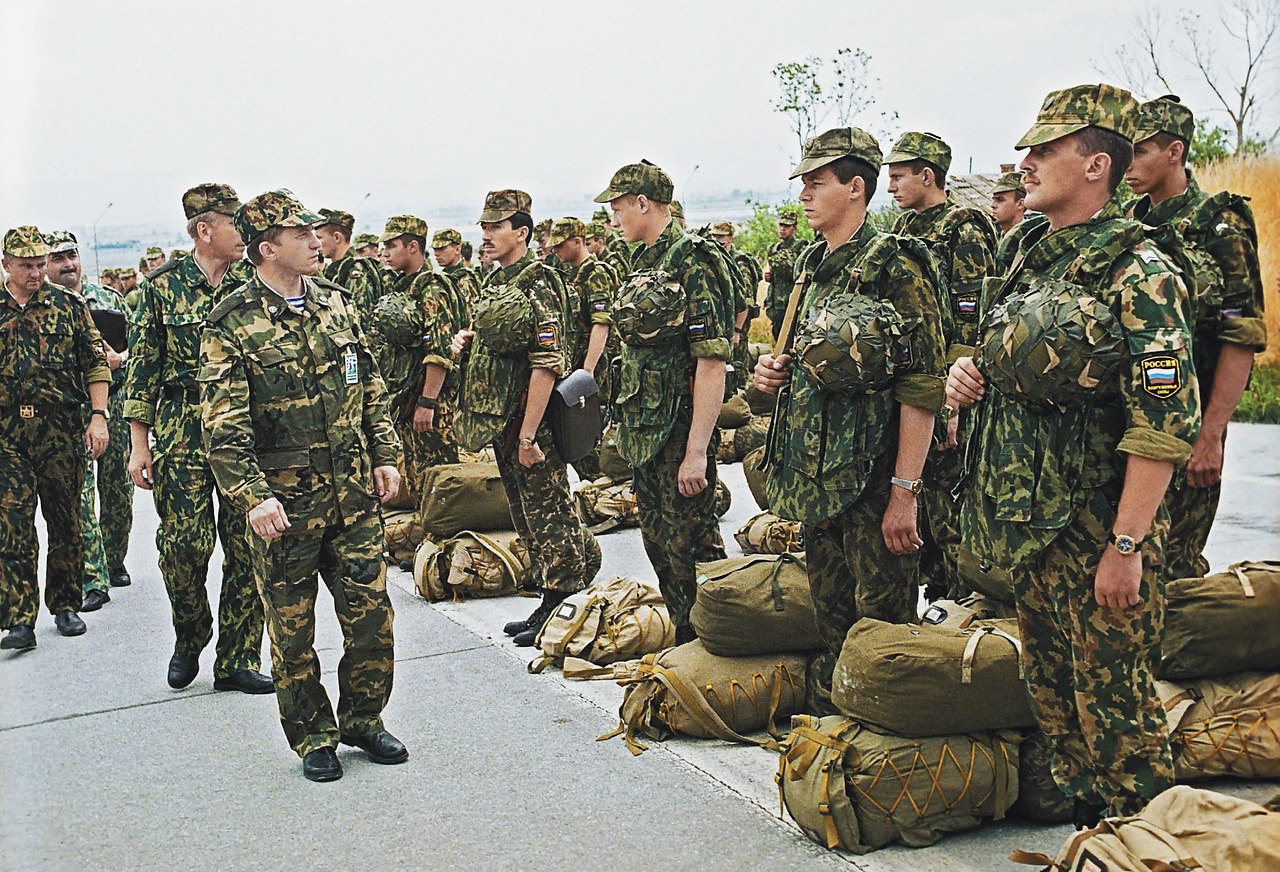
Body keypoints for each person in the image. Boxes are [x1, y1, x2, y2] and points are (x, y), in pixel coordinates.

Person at [947, 83, 1200, 823]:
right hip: (1033, 529)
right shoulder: (1031, 251)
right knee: (1060, 719)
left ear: (1096, 165)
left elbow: (1161, 422)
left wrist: (1127, 544)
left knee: (1120, 733)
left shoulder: (1141, 270)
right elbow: (1009, 355)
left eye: (1045, 149)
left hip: (1098, 532)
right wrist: (972, 376)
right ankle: (1098, 845)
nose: (1025, 162)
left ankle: (1146, 846)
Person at [201, 190, 405, 783]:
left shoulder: (338, 305)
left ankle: (364, 719)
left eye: (315, 232)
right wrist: (252, 496)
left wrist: (386, 455)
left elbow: (369, 388)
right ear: (269, 248)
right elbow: (223, 426)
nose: (316, 241)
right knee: (293, 633)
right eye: (301, 234)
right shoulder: (231, 323)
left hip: (353, 497)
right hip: (284, 508)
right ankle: (313, 736)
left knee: (371, 618)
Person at [754, 129, 947, 714]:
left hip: (872, 480)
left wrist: (904, 493)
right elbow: (807, 362)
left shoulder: (898, 267)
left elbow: (922, 388)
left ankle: (886, 747)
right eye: (804, 184)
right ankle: (839, 737)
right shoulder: (813, 267)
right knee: (832, 617)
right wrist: (771, 375)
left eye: (817, 183)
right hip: (818, 480)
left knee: (882, 630)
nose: (805, 195)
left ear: (856, 188)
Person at [124, 183, 270, 693]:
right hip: (181, 425)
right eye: (234, 222)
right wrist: (139, 445)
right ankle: (191, 635)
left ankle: (237, 656)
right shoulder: (161, 287)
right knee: (184, 546)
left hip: (243, 429)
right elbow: (141, 371)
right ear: (204, 229)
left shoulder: (256, 284)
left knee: (248, 544)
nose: (244, 232)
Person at [1125, 94, 1268, 579]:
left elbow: (1241, 335)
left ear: (1175, 152)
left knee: (1173, 569)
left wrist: (1212, 435)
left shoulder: (1219, 225)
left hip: (1190, 427)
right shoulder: (1127, 225)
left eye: (1141, 150)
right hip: (1135, 426)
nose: (1129, 162)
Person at [596, 162, 733, 644]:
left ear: (643, 203)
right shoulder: (642, 261)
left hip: (679, 431)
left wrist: (697, 450)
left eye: (617, 205)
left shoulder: (695, 259)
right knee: (660, 544)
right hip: (645, 432)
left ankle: (719, 643)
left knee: (692, 547)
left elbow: (711, 362)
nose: (612, 215)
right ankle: (685, 640)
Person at [453, 190, 597, 646]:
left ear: (522, 232)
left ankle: (566, 597)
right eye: (484, 227)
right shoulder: (499, 281)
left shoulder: (539, 281)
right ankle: (550, 595)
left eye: (496, 227)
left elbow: (545, 361)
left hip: (532, 422)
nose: (487, 234)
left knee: (549, 511)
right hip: (505, 421)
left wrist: (530, 433)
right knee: (525, 513)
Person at [885, 131, 1000, 600]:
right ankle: (930, 595)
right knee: (920, 501)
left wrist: (953, 401)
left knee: (949, 503)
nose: (889, 187)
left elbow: (973, 320)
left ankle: (959, 601)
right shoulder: (906, 231)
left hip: (951, 386)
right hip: (915, 382)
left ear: (927, 175)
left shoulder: (964, 228)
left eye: (898, 177)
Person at [0, 226, 111, 650]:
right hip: (7, 433)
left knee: (64, 520)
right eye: (26, 265)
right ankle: (18, 619)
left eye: (40, 264)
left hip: (60, 429)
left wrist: (97, 417)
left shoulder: (68, 306)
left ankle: (65, 605)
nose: (36, 272)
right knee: (12, 526)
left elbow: (95, 366)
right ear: (6, 263)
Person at [45, 231, 134, 610]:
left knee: (117, 492)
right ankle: (92, 577)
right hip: (71, 413)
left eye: (71, 255)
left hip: (112, 404)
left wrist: (120, 359)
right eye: (58, 258)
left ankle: (113, 560)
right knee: (79, 496)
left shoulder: (110, 301)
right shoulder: (45, 310)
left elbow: (139, 347)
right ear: (44, 266)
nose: (67, 264)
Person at [376, 215, 466, 563]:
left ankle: (449, 549)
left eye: (391, 245)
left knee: (437, 475)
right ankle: (432, 544)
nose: (385, 252)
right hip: (409, 398)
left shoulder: (432, 288)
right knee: (418, 475)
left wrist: (428, 402)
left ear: (412, 247)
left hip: (429, 400)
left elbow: (438, 351)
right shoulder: (405, 286)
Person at [548, 216, 620, 480]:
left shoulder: (595, 274)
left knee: (589, 435)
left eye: (560, 245)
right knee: (574, 436)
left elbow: (601, 324)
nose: (555, 250)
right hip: (573, 366)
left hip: (593, 369)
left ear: (578, 241)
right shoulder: (568, 275)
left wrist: (586, 372)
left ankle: (603, 487)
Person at [316, 207, 381, 328]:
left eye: (319, 238)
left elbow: (360, 322)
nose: (315, 243)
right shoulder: (336, 270)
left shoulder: (355, 271)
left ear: (337, 238)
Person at [764, 209, 804, 340]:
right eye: (781, 225)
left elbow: (797, 273)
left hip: (790, 304)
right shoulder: (773, 248)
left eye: (787, 226)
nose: (783, 229)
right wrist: (770, 277)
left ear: (795, 228)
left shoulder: (800, 247)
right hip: (776, 305)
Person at [431, 228, 480, 314]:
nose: (436, 254)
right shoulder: (442, 277)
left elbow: (470, 317)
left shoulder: (466, 280)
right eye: (435, 249)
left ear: (457, 249)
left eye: (442, 248)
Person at [991, 170, 1028, 235]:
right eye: (993, 199)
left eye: (1000, 199)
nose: (992, 205)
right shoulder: (993, 238)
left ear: (1020, 204)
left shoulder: (1032, 238)